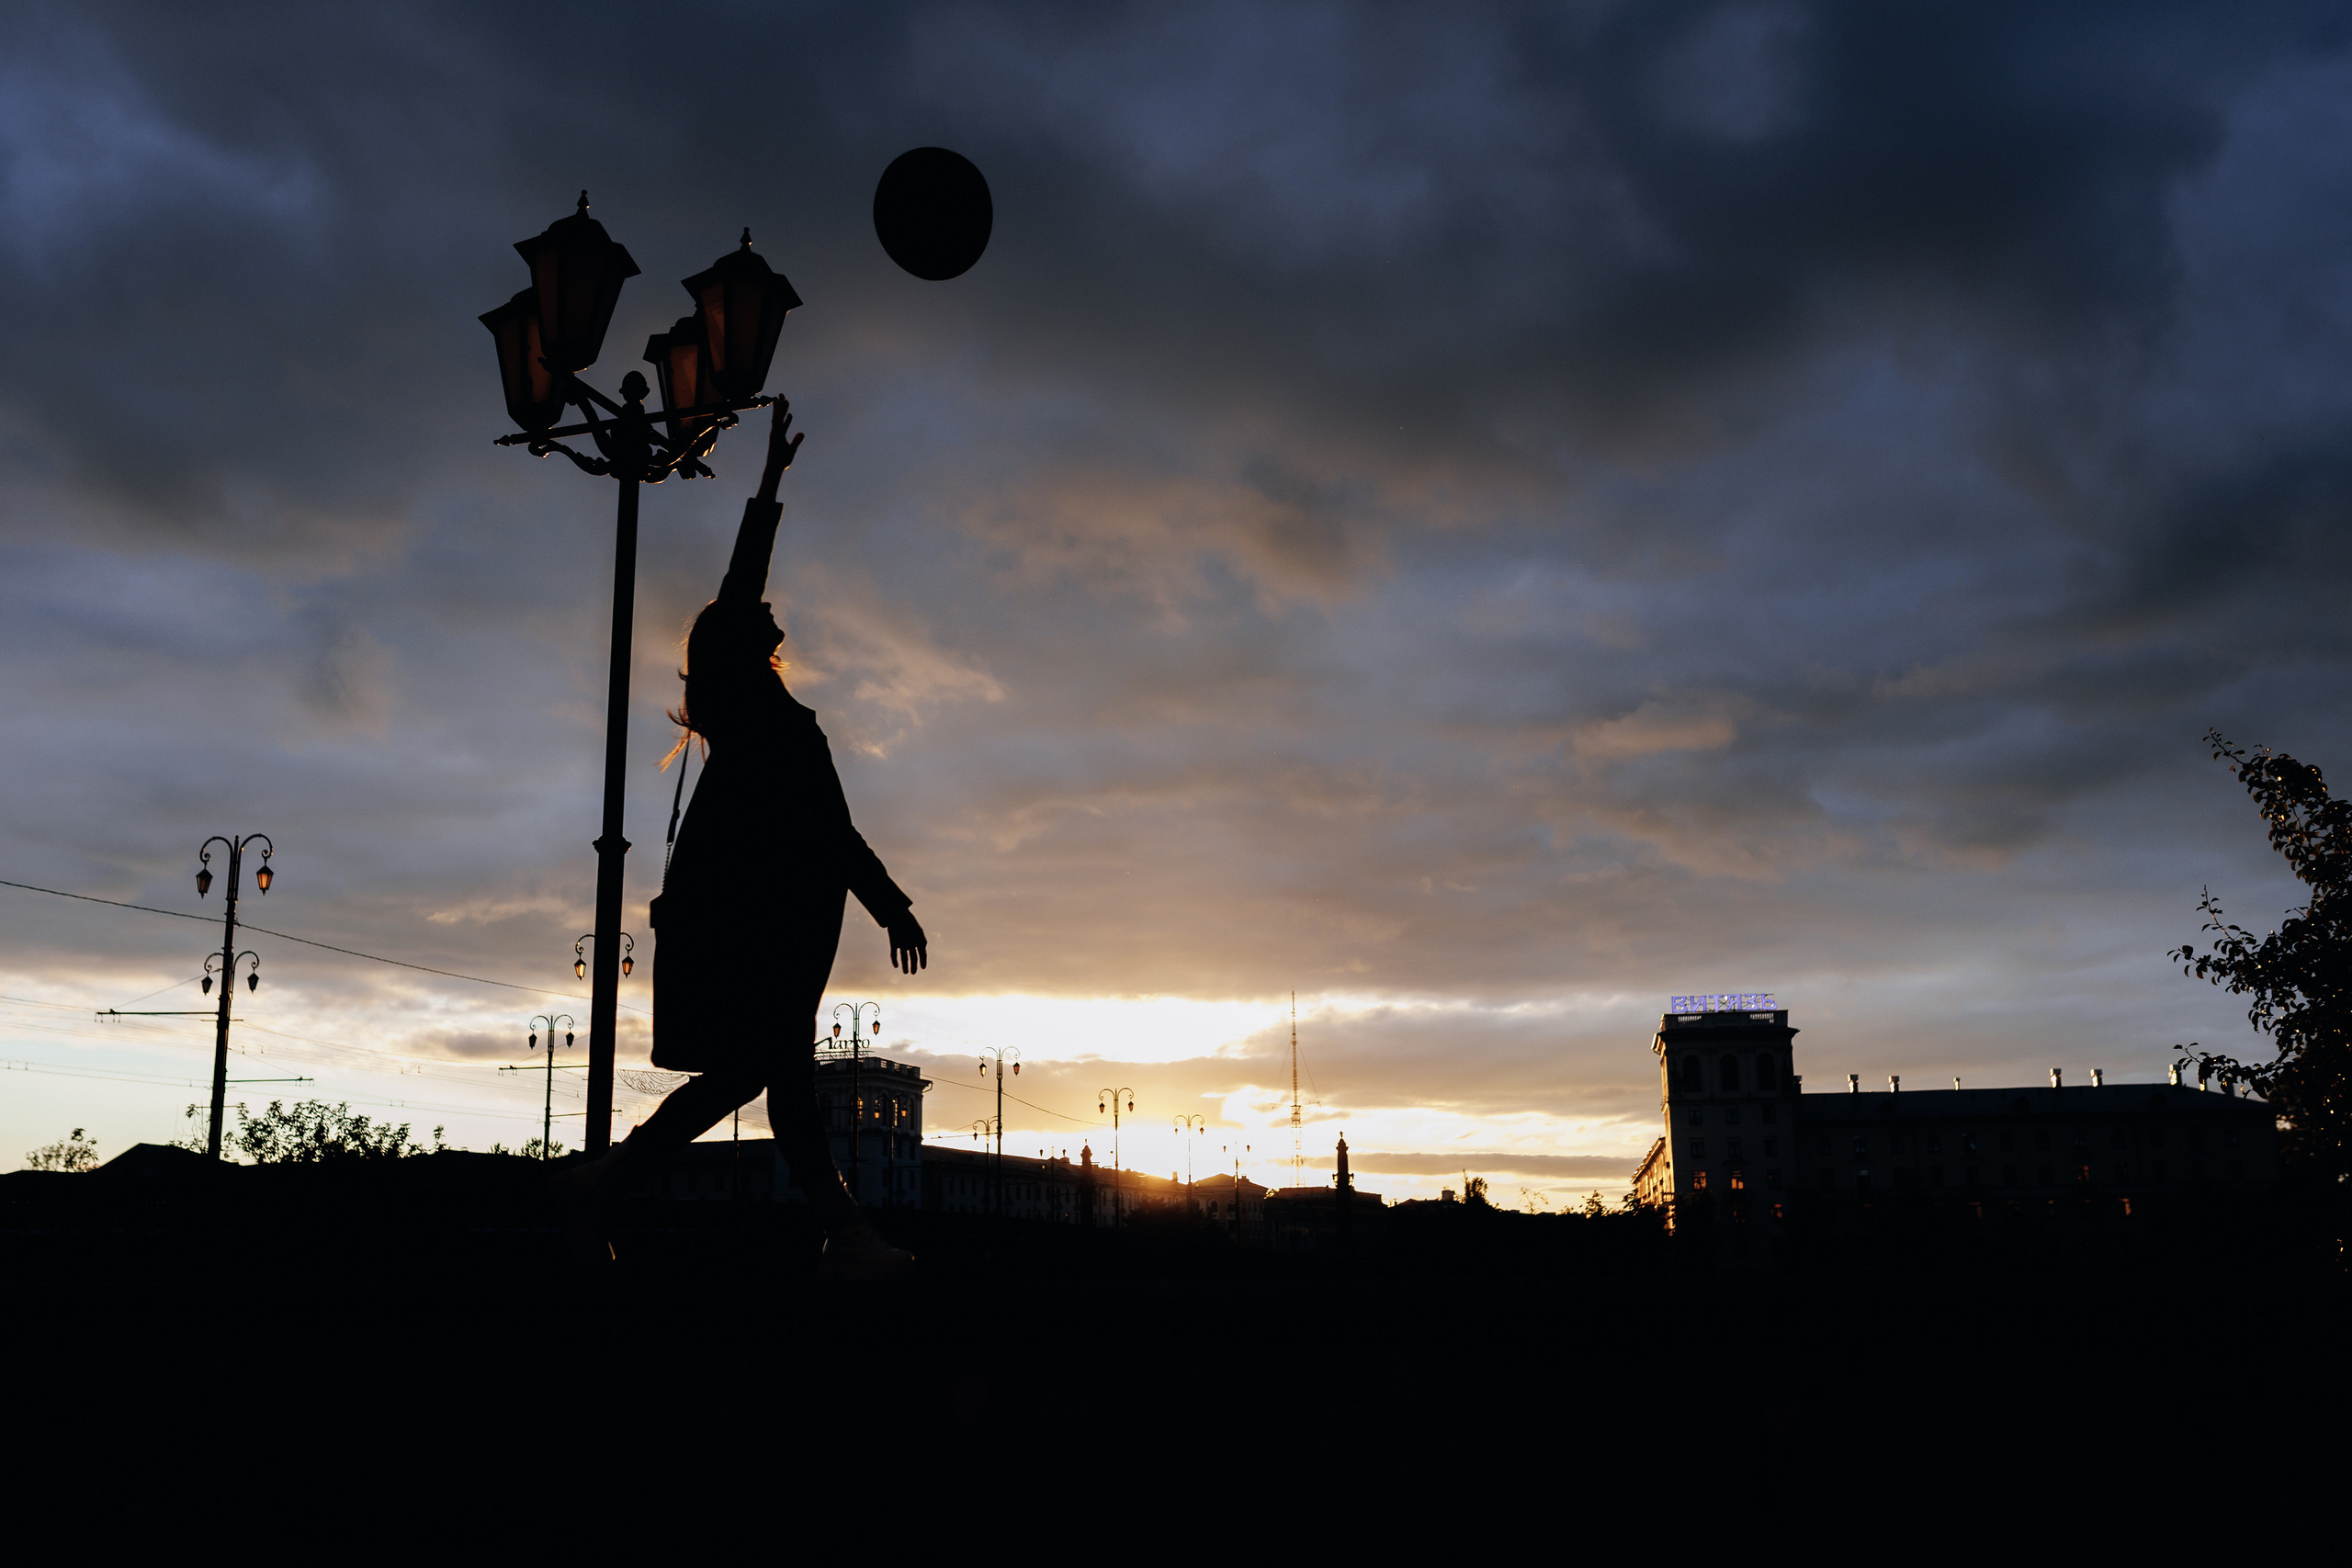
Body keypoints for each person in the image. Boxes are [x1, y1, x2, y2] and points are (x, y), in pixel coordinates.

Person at [558, 400, 925, 1271]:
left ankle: (612, 1185)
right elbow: (738, 584)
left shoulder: (776, 721)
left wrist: (889, 903)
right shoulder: (755, 715)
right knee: (763, 1081)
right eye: (755, 619)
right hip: (759, 931)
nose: (773, 620)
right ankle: (842, 1232)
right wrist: (765, 485)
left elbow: (834, 830)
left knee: (770, 1085)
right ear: (727, 647)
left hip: (775, 931)